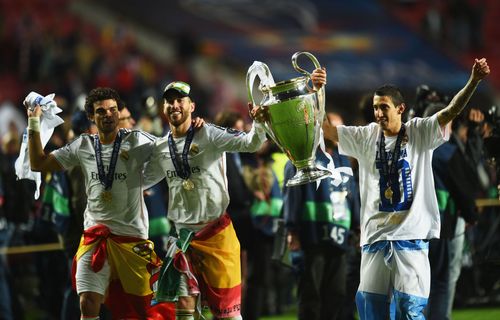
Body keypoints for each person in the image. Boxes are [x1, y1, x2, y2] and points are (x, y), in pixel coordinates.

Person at [319, 58, 490, 319]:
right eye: (376, 108)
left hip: (410, 239)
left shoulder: (419, 132)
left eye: (384, 107)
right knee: (371, 310)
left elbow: (451, 111)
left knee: (409, 310)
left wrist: (473, 81)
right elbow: (325, 131)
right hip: (375, 238)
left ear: (400, 108)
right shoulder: (366, 136)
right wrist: (317, 92)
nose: (378, 114)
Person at [26, 87, 163, 319]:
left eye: (112, 110)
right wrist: (33, 123)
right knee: (87, 303)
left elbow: (172, 148)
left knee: (146, 311)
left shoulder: (137, 140)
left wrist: (193, 130)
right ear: (91, 116)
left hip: (131, 239)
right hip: (94, 237)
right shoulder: (83, 146)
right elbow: (38, 163)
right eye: (101, 111)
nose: (108, 114)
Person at [143, 81, 269, 320]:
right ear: (163, 108)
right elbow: (140, 181)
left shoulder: (209, 134)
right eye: (170, 101)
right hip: (183, 238)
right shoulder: (160, 148)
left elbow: (251, 143)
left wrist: (259, 122)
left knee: (227, 315)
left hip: (216, 235)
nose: (175, 105)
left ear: (192, 106)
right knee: (184, 308)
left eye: (180, 100)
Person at [282, 112, 358, 320]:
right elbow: (292, 195)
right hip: (311, 238)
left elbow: (352, 195)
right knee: (311, 295)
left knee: (336, 295)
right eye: (334, 127)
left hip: (340, 238)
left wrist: (357, 227)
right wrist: (292, 230)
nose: (338, 133)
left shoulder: (343, 160)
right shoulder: (302, 158)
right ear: (320, 126)